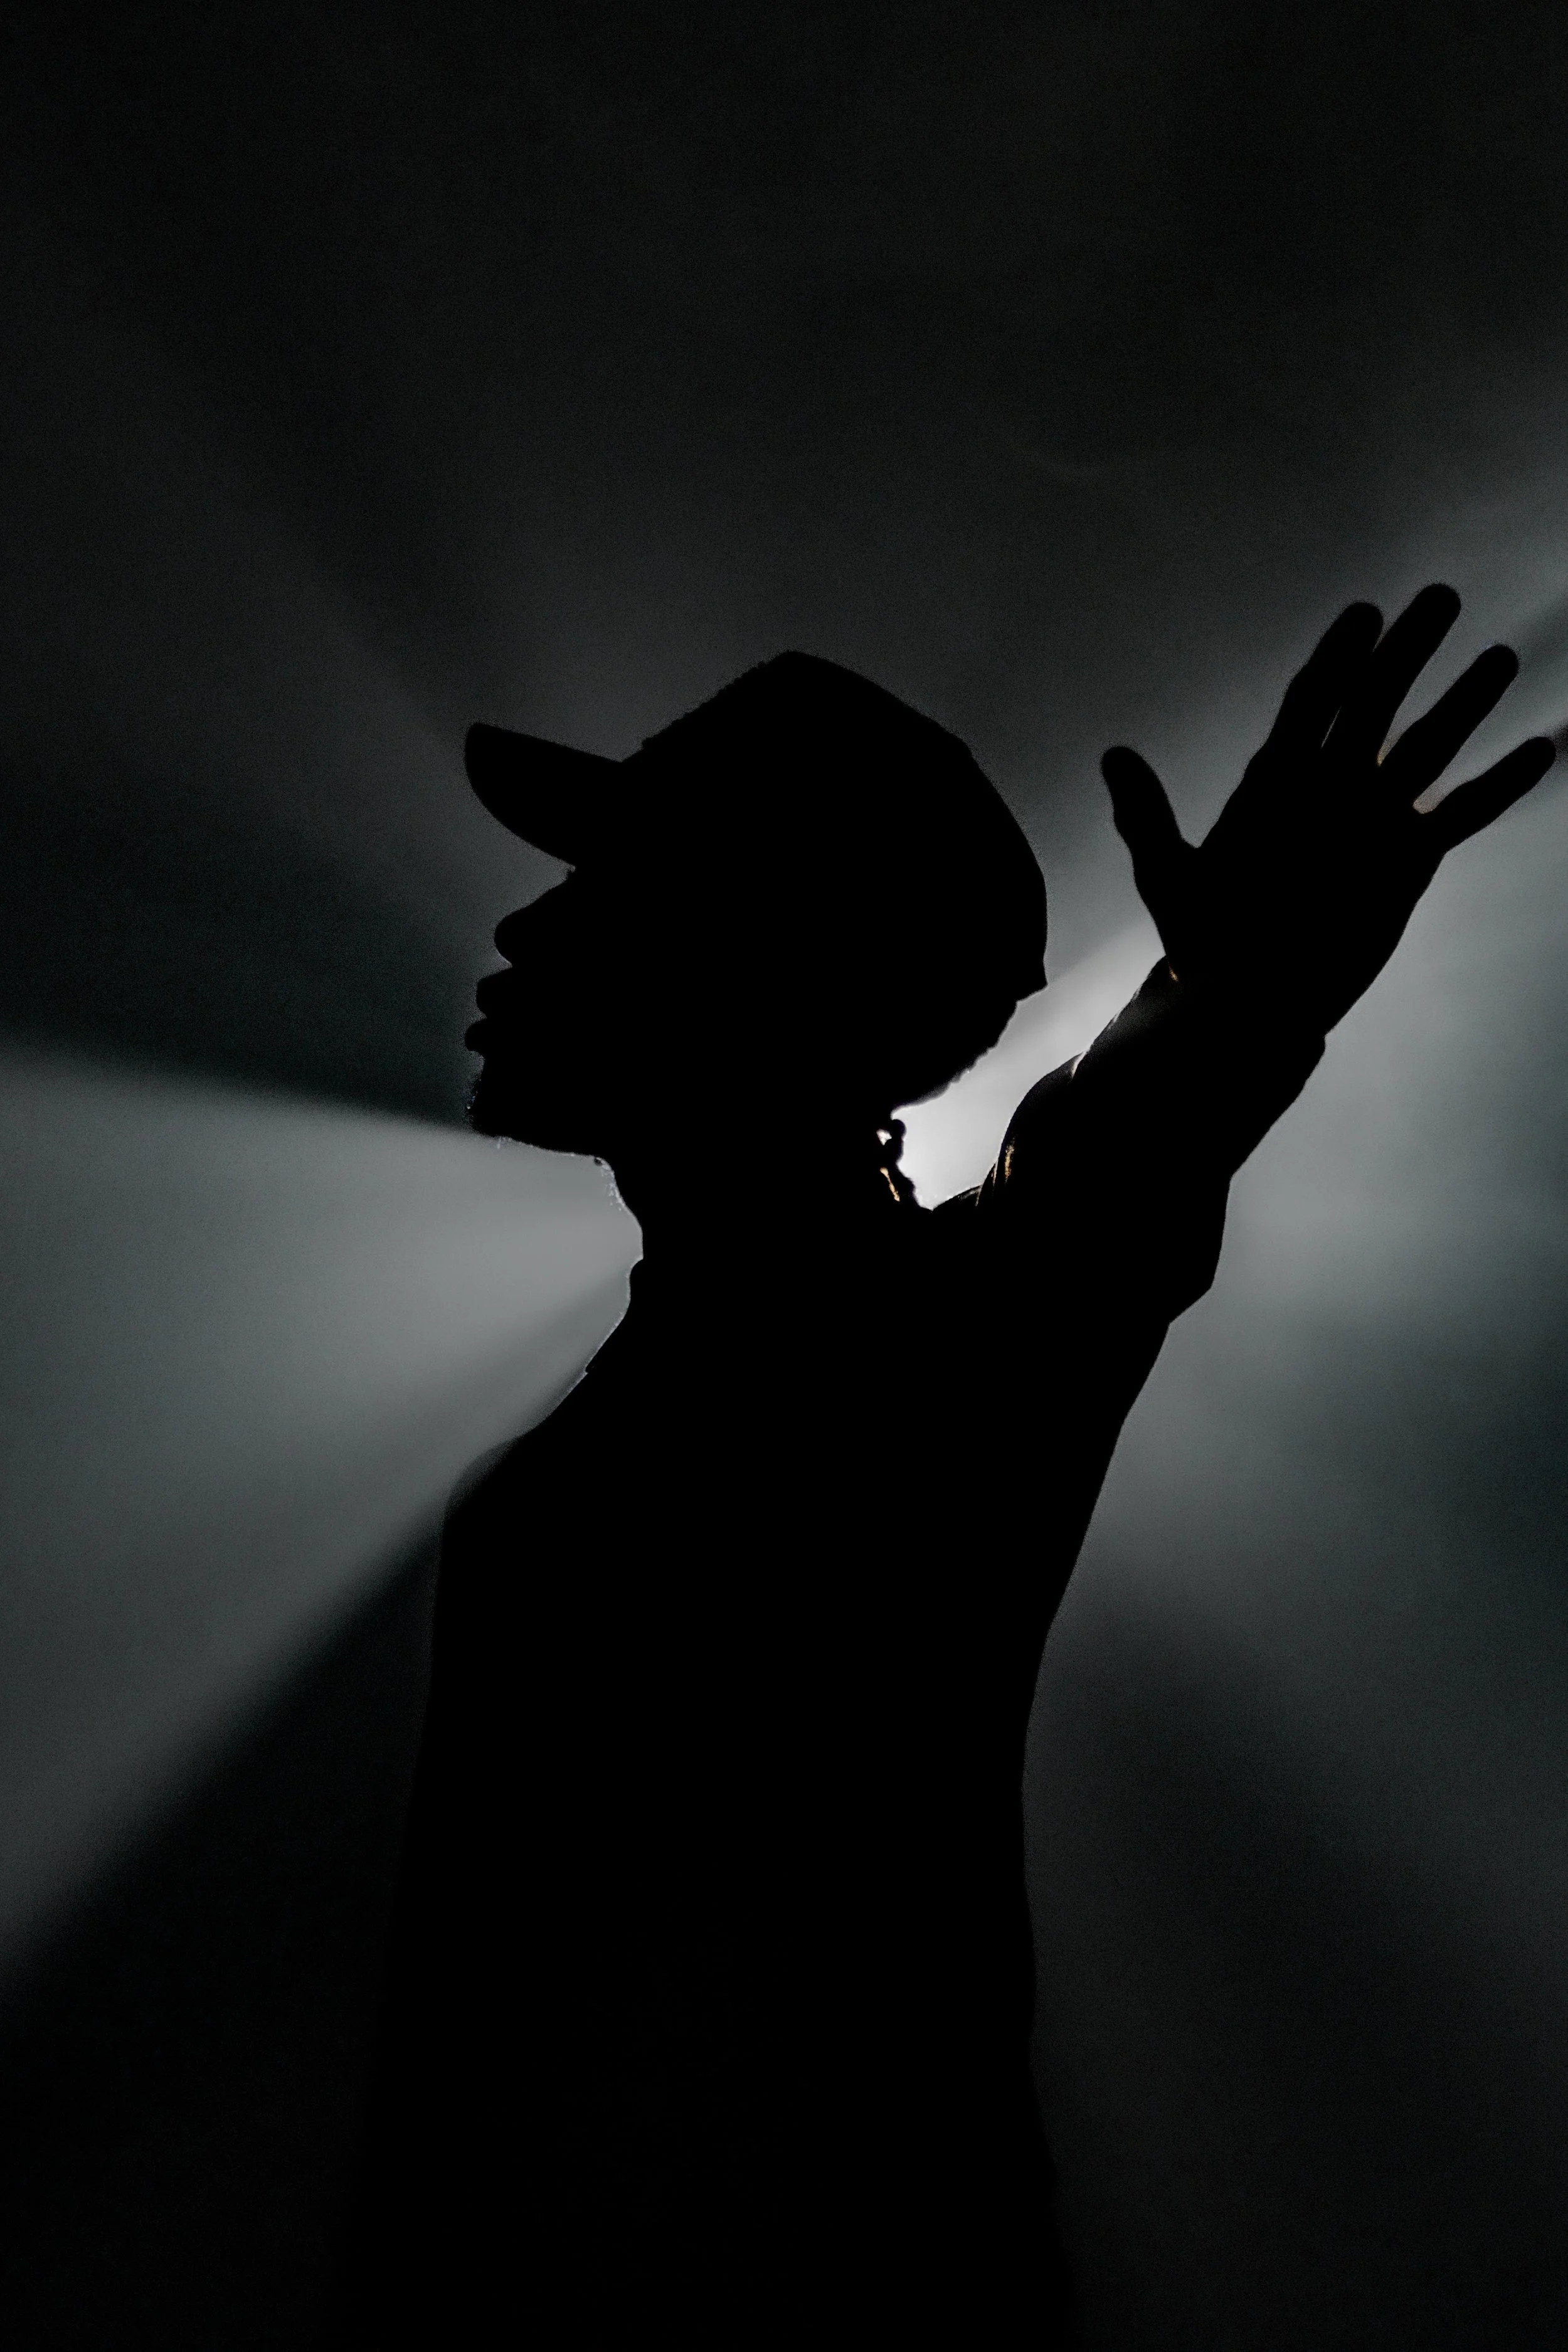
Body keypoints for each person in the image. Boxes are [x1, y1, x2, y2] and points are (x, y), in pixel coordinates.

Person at [334, 587, 1552, 2346]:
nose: (525, 929)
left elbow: (1098, 1182)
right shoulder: (628, 1442)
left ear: (764, 969)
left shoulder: (930, 1359)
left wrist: (1235, 1001)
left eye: (612, 889)